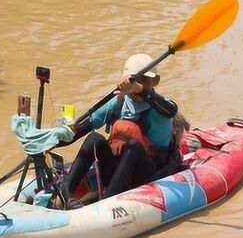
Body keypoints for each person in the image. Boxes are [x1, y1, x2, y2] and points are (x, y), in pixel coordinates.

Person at [59, 53, 180, 207]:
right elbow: (82, 128)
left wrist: (139, 89)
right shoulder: (117, 102)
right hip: (116, 170)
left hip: (148, 172)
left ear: (156, 81)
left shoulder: (163, 105)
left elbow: (171, 111)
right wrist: (52, 139)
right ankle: (65, 194)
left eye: (144, 80)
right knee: (94, 139)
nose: (136, 86)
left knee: (132, 146)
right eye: (133, 80)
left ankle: (108, 201)